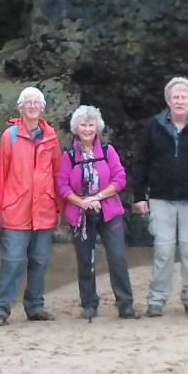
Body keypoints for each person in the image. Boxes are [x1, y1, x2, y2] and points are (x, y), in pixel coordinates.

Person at [132, 76, 188, 317]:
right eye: (175, 97)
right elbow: (141, 162)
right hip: (161, 199)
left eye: (184, 97)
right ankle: (156, 300)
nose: (179, 101)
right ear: (168, 100)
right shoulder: (153, 126)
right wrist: (140, 195)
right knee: (163, 250)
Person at [57, 105, 142, 321]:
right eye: (83, 125)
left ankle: (125, 304)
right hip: (80, 214)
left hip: (109, 211)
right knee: (85, 260)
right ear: (76, 128)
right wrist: (83, 202)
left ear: (97, 128)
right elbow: (63, 186)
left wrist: (97, 197)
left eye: (91, 124)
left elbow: (120, 178)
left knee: (117, 257)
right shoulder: (68, 155)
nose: (87, 129)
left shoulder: (107, 151)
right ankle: (89, 304)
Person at [0, 87, 62, 326]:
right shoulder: (9, 136)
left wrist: (58, 208)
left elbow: (57, 173)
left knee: (40, 260)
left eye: (36, 102)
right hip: (16, 208)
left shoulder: (51, 137)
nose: (32, 106)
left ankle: (35, 306)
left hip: (44, 209)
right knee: (12, 260)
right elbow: (1, 174)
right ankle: (1, 308)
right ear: (20, 107)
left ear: (42, 107)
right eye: (28, 102)